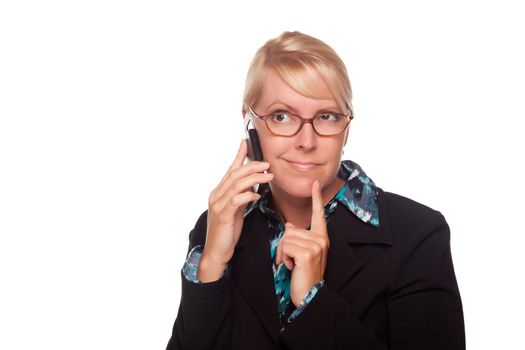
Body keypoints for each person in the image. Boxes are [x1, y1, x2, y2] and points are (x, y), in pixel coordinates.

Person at [166, 31, 465, 350]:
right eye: (281, 117)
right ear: (250, 122)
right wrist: (212, 262)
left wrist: (314, 303)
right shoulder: (214, 228)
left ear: (346, 129)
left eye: (326, 117)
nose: (306, 142)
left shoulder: (417, 235)